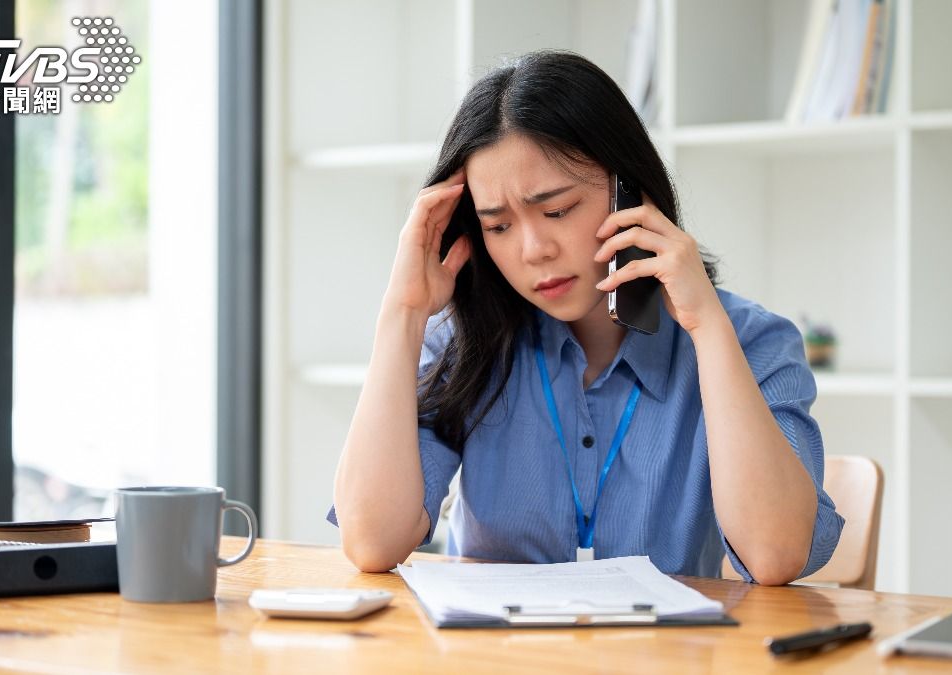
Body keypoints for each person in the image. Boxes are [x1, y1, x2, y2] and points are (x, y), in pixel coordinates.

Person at [329, 50, 843, 584]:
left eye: (557, 211)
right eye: (498, 226)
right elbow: (371, 540)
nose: (533, 250)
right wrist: (403, 312)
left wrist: (708, 328)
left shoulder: (752, 341)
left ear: (630, 191)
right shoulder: (465, 342)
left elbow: (775, 555)